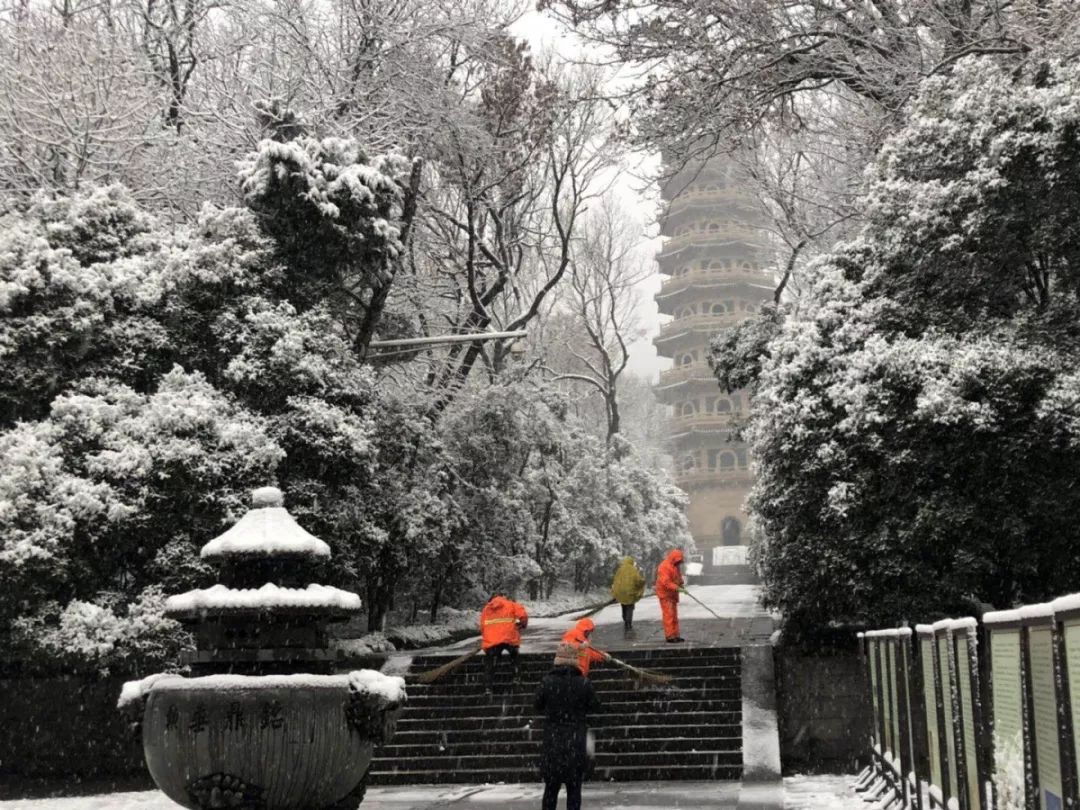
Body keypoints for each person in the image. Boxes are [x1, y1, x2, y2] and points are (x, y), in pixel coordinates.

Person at [535, 643, 602, 810]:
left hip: (553, 741)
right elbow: (595, 705)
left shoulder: (547, 682)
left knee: (551, 788)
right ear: (575, 660)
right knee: (574, 789)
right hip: (575, 740)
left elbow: (537, 705)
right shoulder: (583, 683)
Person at [479, 591, 528, 694]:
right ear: (503, 597)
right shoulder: (510, 604)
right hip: (509, 636)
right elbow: (523, 615)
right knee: (514, 656)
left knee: (490, 663)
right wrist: (522, 625)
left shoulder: (486, 608)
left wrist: (487, 639)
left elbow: (482, 627)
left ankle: (488, 687)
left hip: (492, 640)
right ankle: (516, 677)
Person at [655, 549, 686, 643]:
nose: (679, 563)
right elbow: (666, 582)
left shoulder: (675, 566)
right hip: (665, 594)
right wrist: (677, 588)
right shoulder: (664, 566)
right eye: (678, 561)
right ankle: (670, 636)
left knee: (674, 615)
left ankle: (676, 635)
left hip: (672, 594)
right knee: (669, 615)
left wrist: (681, 584)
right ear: (674, 558)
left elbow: (678, 576)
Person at [610, 556, 646, 634]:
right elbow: (638, 580)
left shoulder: (619, 570)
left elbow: (615, 581)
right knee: (630, 607)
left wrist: (615, 591)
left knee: (624, 605)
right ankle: (628, 623)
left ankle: (625, 618)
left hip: (621, 592)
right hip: (630, 592)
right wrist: (642, 582)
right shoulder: (633, 570)